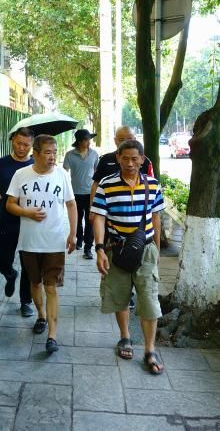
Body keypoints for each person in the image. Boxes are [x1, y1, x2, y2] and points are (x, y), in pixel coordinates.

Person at [91, 139, 165, 375]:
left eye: (135, 159)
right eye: (125, 158)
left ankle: (150, 349)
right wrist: (99, 249)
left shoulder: (153, 185)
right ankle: (125, 337)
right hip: (117, 249)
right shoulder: (106, 184)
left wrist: (157, 249)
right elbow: (99, 218)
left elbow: (156, 218)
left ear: (142, 160)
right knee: (120, 296)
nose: (130, 163)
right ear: (118, 158)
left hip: (146, 250)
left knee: (149, 299)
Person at [6, 135, 77, 354]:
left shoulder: (62, 175)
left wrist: (73, 234)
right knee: (35, 283)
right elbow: (10, 204)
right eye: (47, 152)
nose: (52, 157)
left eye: (54, 152)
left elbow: (71, 204)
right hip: (29, 241)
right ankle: (41, 315)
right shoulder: (21, 175)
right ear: (35, 153)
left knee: (51, 287)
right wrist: (26, 212)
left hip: (54, 242)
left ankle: (52, 335)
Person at [89, 125, 154, 309]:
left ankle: (129, 290)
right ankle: (116, 287)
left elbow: (152, 197)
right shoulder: (106, 160)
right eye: (122, 139)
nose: (130, 163)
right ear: (116, 141)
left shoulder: (146, 163)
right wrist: (94, 209)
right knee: (112, 257)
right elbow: (96, 184)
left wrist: (156, 244)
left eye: (130, 138)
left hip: (138, 225)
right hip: (110, 218)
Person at [0, 127, 35, 317]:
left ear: (32, 145)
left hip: (30, 222)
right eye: (19, 143)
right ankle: (10, 275)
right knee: (2, 260)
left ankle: (26, 301)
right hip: (6, 221)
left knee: (28, 264)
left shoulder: (35, 165)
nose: (22, 148)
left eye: (26, 145)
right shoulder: (0, 164)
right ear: (12, 141)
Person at [63, 129, 100, 260]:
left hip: (90, 194)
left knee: (90, 221)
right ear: (79, 142)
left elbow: (97, 172)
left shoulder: (94, 154)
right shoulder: (69, 155)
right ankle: (79, 239)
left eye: (89, 139)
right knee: (77, 220)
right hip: (74, 193)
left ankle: (88, 248)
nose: (89, 142)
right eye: (86, 140)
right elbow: (64, 172)